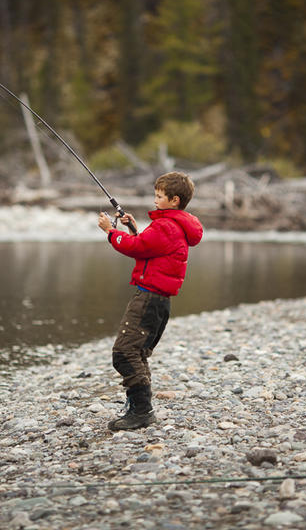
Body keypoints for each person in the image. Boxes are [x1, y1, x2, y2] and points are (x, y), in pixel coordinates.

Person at [97, 171, 204, 431]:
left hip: (149, 299)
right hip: (157, 300)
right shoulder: (173, 225)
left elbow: (136, 248)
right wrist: (133, 229)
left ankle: (142, 411)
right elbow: (148, 247)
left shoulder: (166, 226)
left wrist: (111, 232)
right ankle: (139, 409)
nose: (155, 200)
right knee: (137, 353)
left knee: (124, 353)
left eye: (159, 196)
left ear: (175, 200)